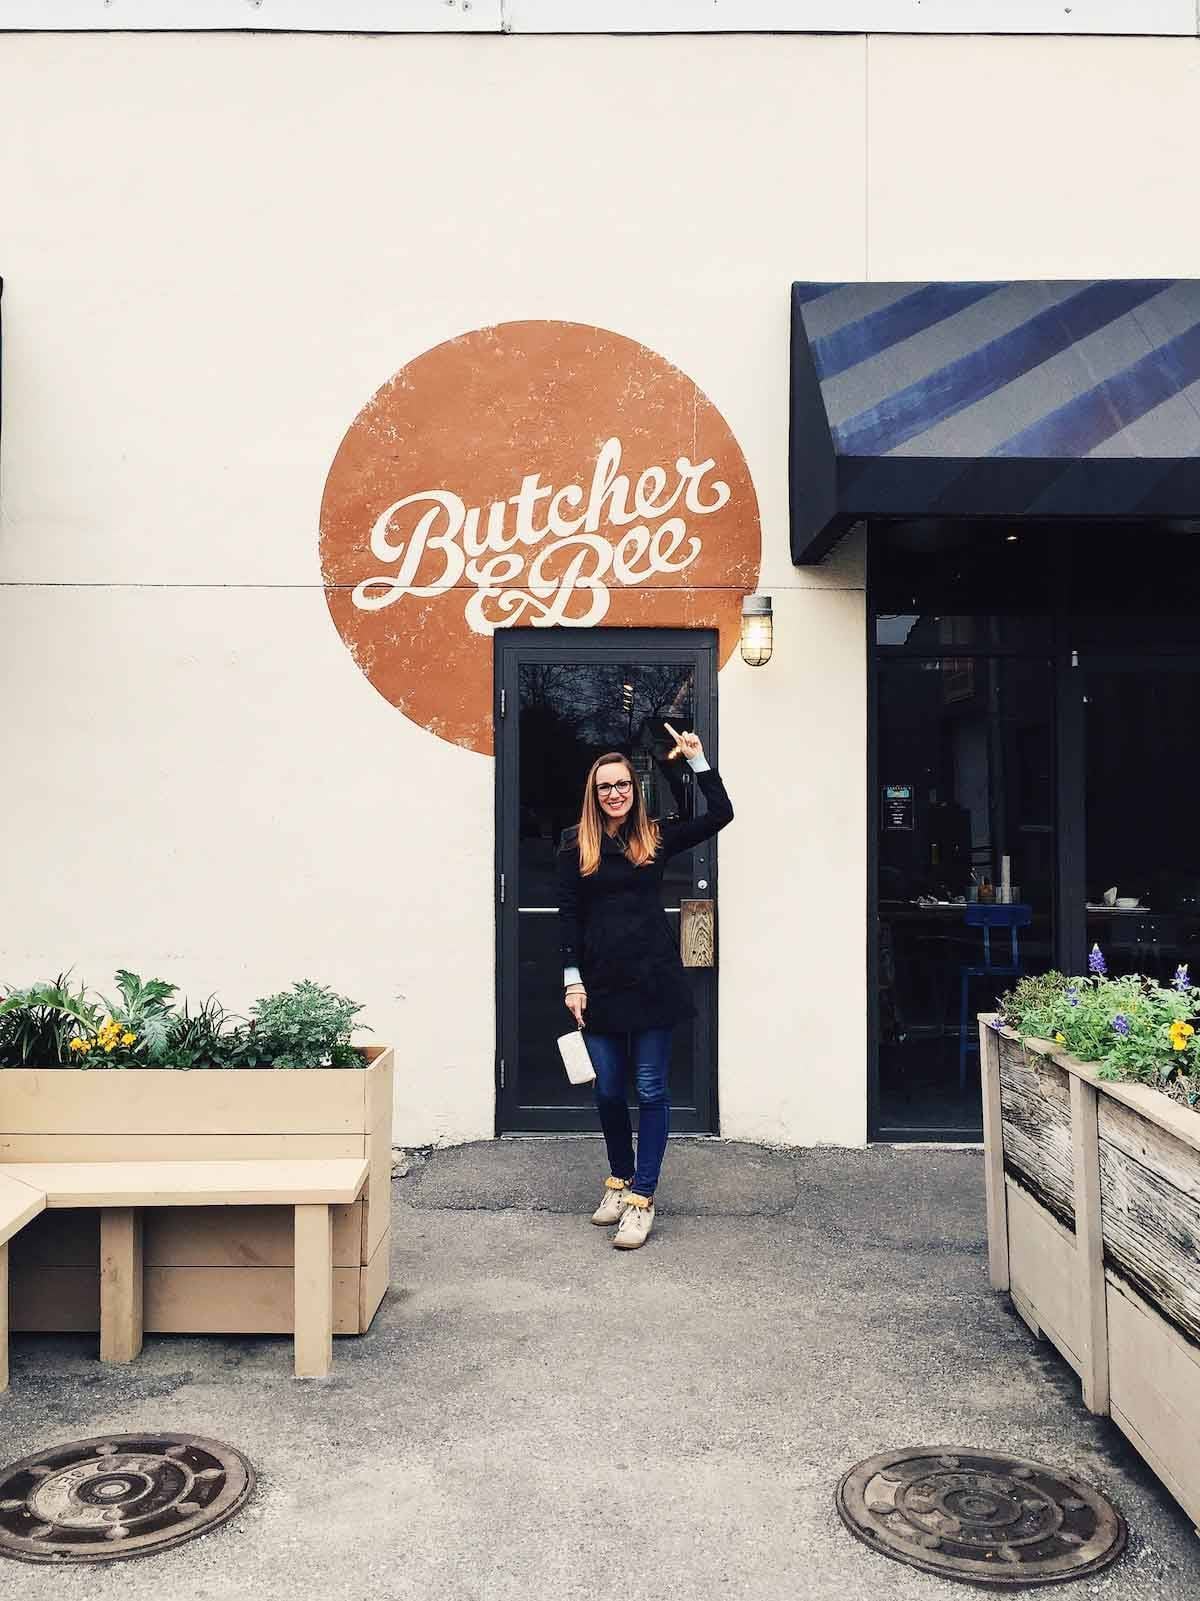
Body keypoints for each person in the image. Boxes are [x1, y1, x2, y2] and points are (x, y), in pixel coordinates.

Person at [556, 723, 734, 1250]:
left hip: (653, 977)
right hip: (601, 982)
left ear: (635, 790)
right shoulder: (575, 844)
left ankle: (642, 1197)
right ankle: (620, 1177)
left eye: (623, 785)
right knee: (608, 1088)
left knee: (652, 1088)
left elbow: (720, 815)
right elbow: (568, 917)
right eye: (605, 787)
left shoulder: (653, 837)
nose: (615, 793)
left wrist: (696, 762)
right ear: (594, 794)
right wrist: (572, 979)